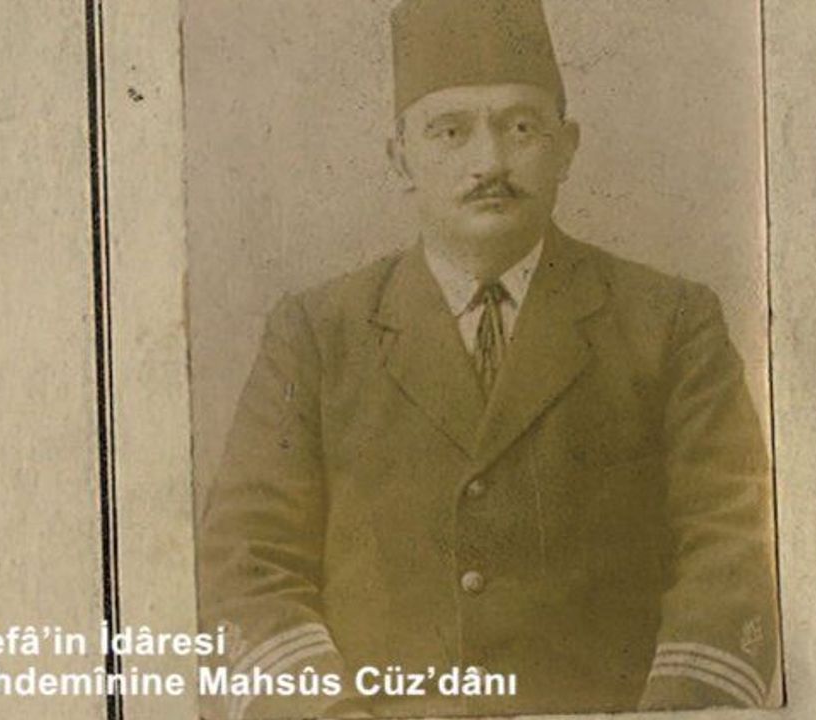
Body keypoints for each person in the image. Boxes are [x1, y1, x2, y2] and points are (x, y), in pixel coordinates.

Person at [196, 1, 780, 718]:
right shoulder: (316, 335)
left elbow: (732, 545)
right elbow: (247, 563)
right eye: (450, 131)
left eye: (521, 127)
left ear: (566, 147)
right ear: (399, 157)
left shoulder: (670, 322)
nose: (490, 163)